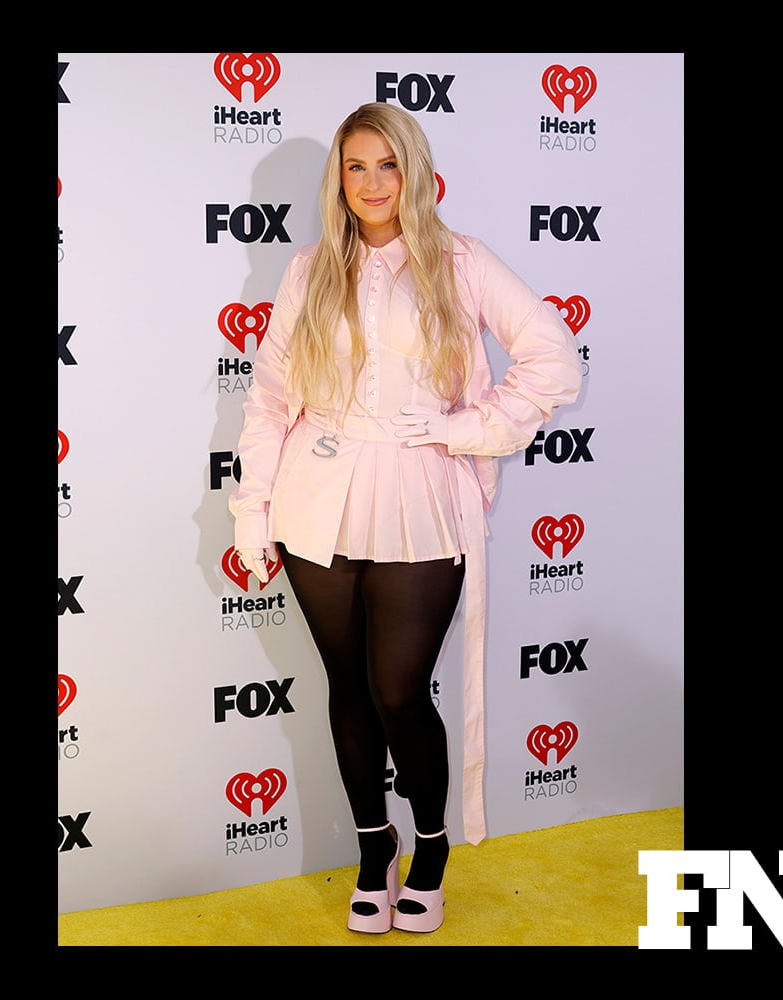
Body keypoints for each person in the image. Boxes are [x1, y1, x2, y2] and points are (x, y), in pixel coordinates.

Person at [229, 102, 582, 934]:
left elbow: (553, 359)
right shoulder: (310, 267)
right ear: (338, 179)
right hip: (314, 498)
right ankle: (373, 849)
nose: (372, 183)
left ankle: (430, 848)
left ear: (414, 171)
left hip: (422, 493)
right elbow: (271, 401)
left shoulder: (463, 262)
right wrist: (252, 511)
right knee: (347, 686)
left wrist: (466, 429)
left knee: (398, 689)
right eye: (356, 166)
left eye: (387, 164)